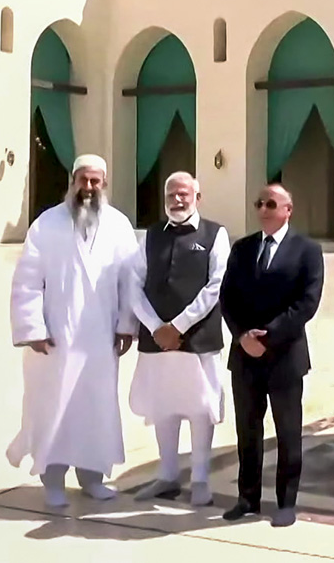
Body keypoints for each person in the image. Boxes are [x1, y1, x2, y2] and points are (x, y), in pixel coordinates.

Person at [6, 154, 140, 508]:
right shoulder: (46, 224)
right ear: (72, 181)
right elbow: (28, 280)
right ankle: (53, 480)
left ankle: (92, 478)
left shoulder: (119, 226)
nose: (89, 187)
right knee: (54, 409)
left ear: (105, 184)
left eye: (95, 181)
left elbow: (131, 281)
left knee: (95, 410)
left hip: (100, 340)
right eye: (83, 180)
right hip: (56, 340)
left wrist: (127, 325)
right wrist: (33, 327)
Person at [219, 183, 324, 527]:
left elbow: (306, 303)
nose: (263, 209)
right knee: (247, 432)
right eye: (259, 203)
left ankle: (286, 502)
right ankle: (247, 498)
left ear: (287, 210)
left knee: (287, 432)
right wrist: (241, 336)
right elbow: (227, 297)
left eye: (271, 204)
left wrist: (269, 336)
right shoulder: (243, 248)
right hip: (245, 357)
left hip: (285, 357)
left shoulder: (307, 251)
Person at [126, 171, 230, 506]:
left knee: (201, 408)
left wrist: (179, 326)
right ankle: (167, 475)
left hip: (197, 340)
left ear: (197, 197)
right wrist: (156, 326)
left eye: (184, 194)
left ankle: (200, 480)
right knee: (164, 407)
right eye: (171, 194)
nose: (177, 200)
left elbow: (216, 285)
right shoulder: (151, 236)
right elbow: (133, 283)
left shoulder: (215, 234)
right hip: (157, 340)